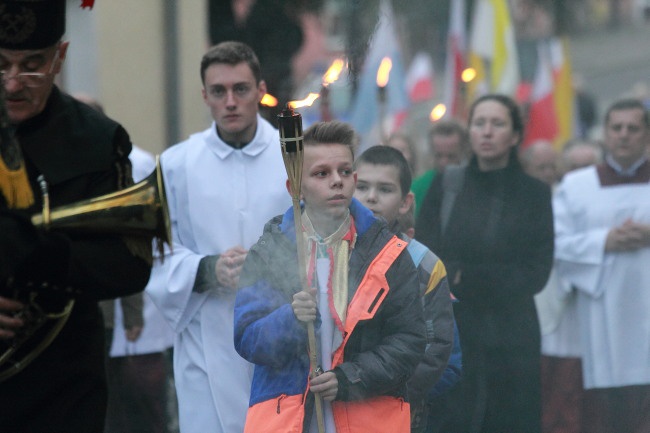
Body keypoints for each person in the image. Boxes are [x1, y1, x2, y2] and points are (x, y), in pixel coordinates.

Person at [0, 1, 152, 432]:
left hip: (62, 387)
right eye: (1, 65)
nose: (13, 84)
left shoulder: (98, 140)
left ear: (59, 58)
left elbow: (131, 265)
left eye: (32, 66)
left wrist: (41, 254)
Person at [234, 121, 426, 433]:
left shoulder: (387, 251)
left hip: (365, 418)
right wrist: (290, 318)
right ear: (294, 187)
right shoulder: (270, 250)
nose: (336, 181)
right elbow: (246, 337)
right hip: (288, 420)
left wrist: (349, 378)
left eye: (344, 171)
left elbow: (409, 340)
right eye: (321, 173)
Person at [145, 41, 292, 433]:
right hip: (207, 334)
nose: (230, 101)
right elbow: (154, 249)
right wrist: (208, 268)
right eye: (218, 91)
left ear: (260, 90)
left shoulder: (292, 155)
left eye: (240, 89)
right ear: (204, 96)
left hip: (282, 328)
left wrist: (275, 267)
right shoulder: (176, 165)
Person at [415, 94, 554, 432]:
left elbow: (536, 272)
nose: (487, 132)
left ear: (515, 136)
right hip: (454, 332)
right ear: (470, 133)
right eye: (479, 123)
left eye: (498, 124)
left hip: (512, 336)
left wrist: (467, 275)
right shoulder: (445, 185)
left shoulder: (533, 193)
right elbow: (426, 258)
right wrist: (470, 275)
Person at [553, 98, 650, 433]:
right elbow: (556, 245)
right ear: (605, 133)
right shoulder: (577, 186)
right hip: (602, 322)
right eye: (616, 128)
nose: (624, 135)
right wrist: (603, 241)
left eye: (633, 128)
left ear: (647, 134)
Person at [353, 145, 457, 433]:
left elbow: (435, 350)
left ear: (405, 202)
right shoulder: (331, 254)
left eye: (385, 189)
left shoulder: (425, 263)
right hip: (338, 402)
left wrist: (384, 393)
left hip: (396, 408)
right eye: (362, 187)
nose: (371, 197)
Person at [411, 119, 469, 216]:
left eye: (451, 156)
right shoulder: (418, 188)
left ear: (464, 152)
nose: (444, 162)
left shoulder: (473, 186)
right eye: (439, 156)